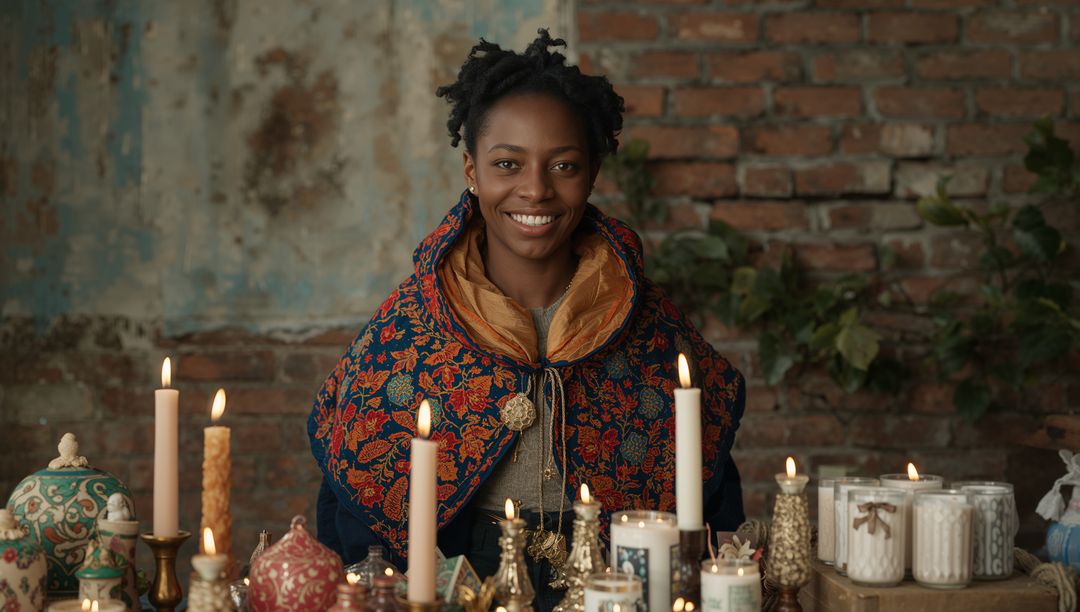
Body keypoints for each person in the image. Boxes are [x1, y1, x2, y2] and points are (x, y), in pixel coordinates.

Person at [307, 30, 745, 611]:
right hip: (455, 586)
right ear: (471, 169)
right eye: (507, 164)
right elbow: (355, 501)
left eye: (563, 165)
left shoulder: (652, 330)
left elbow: (707, 495)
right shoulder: (409, 329)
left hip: (616, 586)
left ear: (592, 173)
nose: (535, 190)